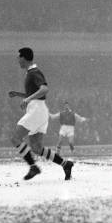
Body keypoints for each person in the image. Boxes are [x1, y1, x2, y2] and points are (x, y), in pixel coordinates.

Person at [9, 47, 74, 180]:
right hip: (40, 111)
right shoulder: (30, 72)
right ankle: (65, 164)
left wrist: (27, 99)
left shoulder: (34, 72)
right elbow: (35, 93)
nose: (17, 60)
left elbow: (44, 89)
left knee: (16, 138)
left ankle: (33, 167)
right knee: (37, 148)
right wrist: (19, 94)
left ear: (24, 58)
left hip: (36, 111)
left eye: (18, 57)